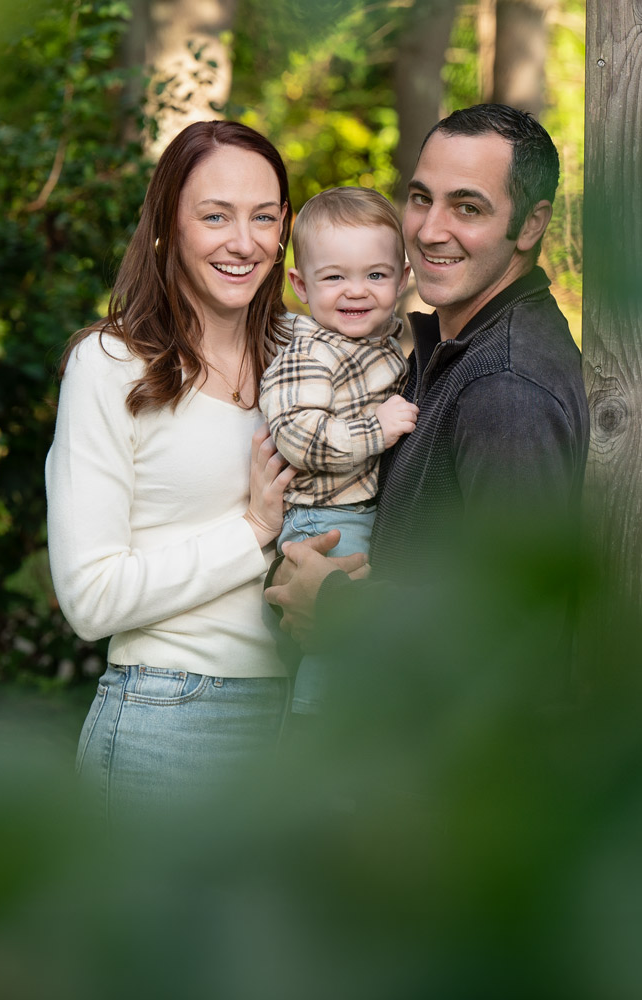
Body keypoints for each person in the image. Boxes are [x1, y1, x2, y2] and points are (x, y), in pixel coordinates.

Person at [265, 104, 590, 655]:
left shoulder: (506, 387)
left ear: (531, 224)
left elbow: (514, 619)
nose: (430, 230)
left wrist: (335, 605)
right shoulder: (441, 351)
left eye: (467, 206)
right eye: (421, 198)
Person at [45, 120, 296, 819]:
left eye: (263, 217)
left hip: (302, 726)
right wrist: (252, 531)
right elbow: (90, 599)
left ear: (286, 231)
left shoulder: (306, 357)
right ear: (168, 226)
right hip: (168, 723)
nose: (243, 242)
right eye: (214, 216)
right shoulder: (110, 366)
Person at [259, 187, 417, 712]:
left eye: (376, 275)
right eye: (335, 277)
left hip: (357, 509)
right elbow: (297, 435)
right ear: (301, 285)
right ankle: (315, 735)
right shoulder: (310, 353)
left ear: (403, 278)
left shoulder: (382, 342)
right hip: (325, 519)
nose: (357, 291)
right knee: (335, 637)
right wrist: (376, 428)